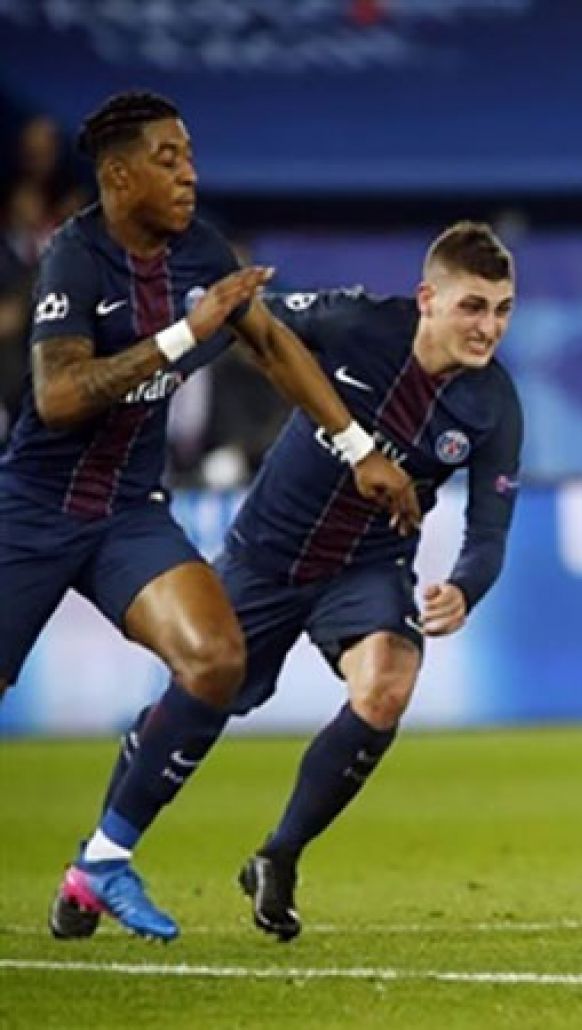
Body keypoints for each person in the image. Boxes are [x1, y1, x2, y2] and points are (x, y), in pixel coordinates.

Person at [3, 91, 417, 942]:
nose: (189, 173)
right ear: (120, 177)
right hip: (33, 511)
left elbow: (270, 345)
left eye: (190, 155)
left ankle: (101, 864)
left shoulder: (200, 250)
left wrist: (358, 448)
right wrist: (181, 337)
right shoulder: (75, 259)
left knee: (216, 661)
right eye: (168, 159)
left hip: (126, 513)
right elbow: (57, 397)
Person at [52, 222, 523, 943]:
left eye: (502, 309)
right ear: (428, 299)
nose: (488, 327)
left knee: (386, 688)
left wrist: (465, 586)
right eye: (473, 306)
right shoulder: (357, 321)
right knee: (193, 705)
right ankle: (99, 862)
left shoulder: (496, 406)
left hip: (368, 566)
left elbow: (489, 530)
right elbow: (248, 323)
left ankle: (278, 855)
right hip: (265, 557)